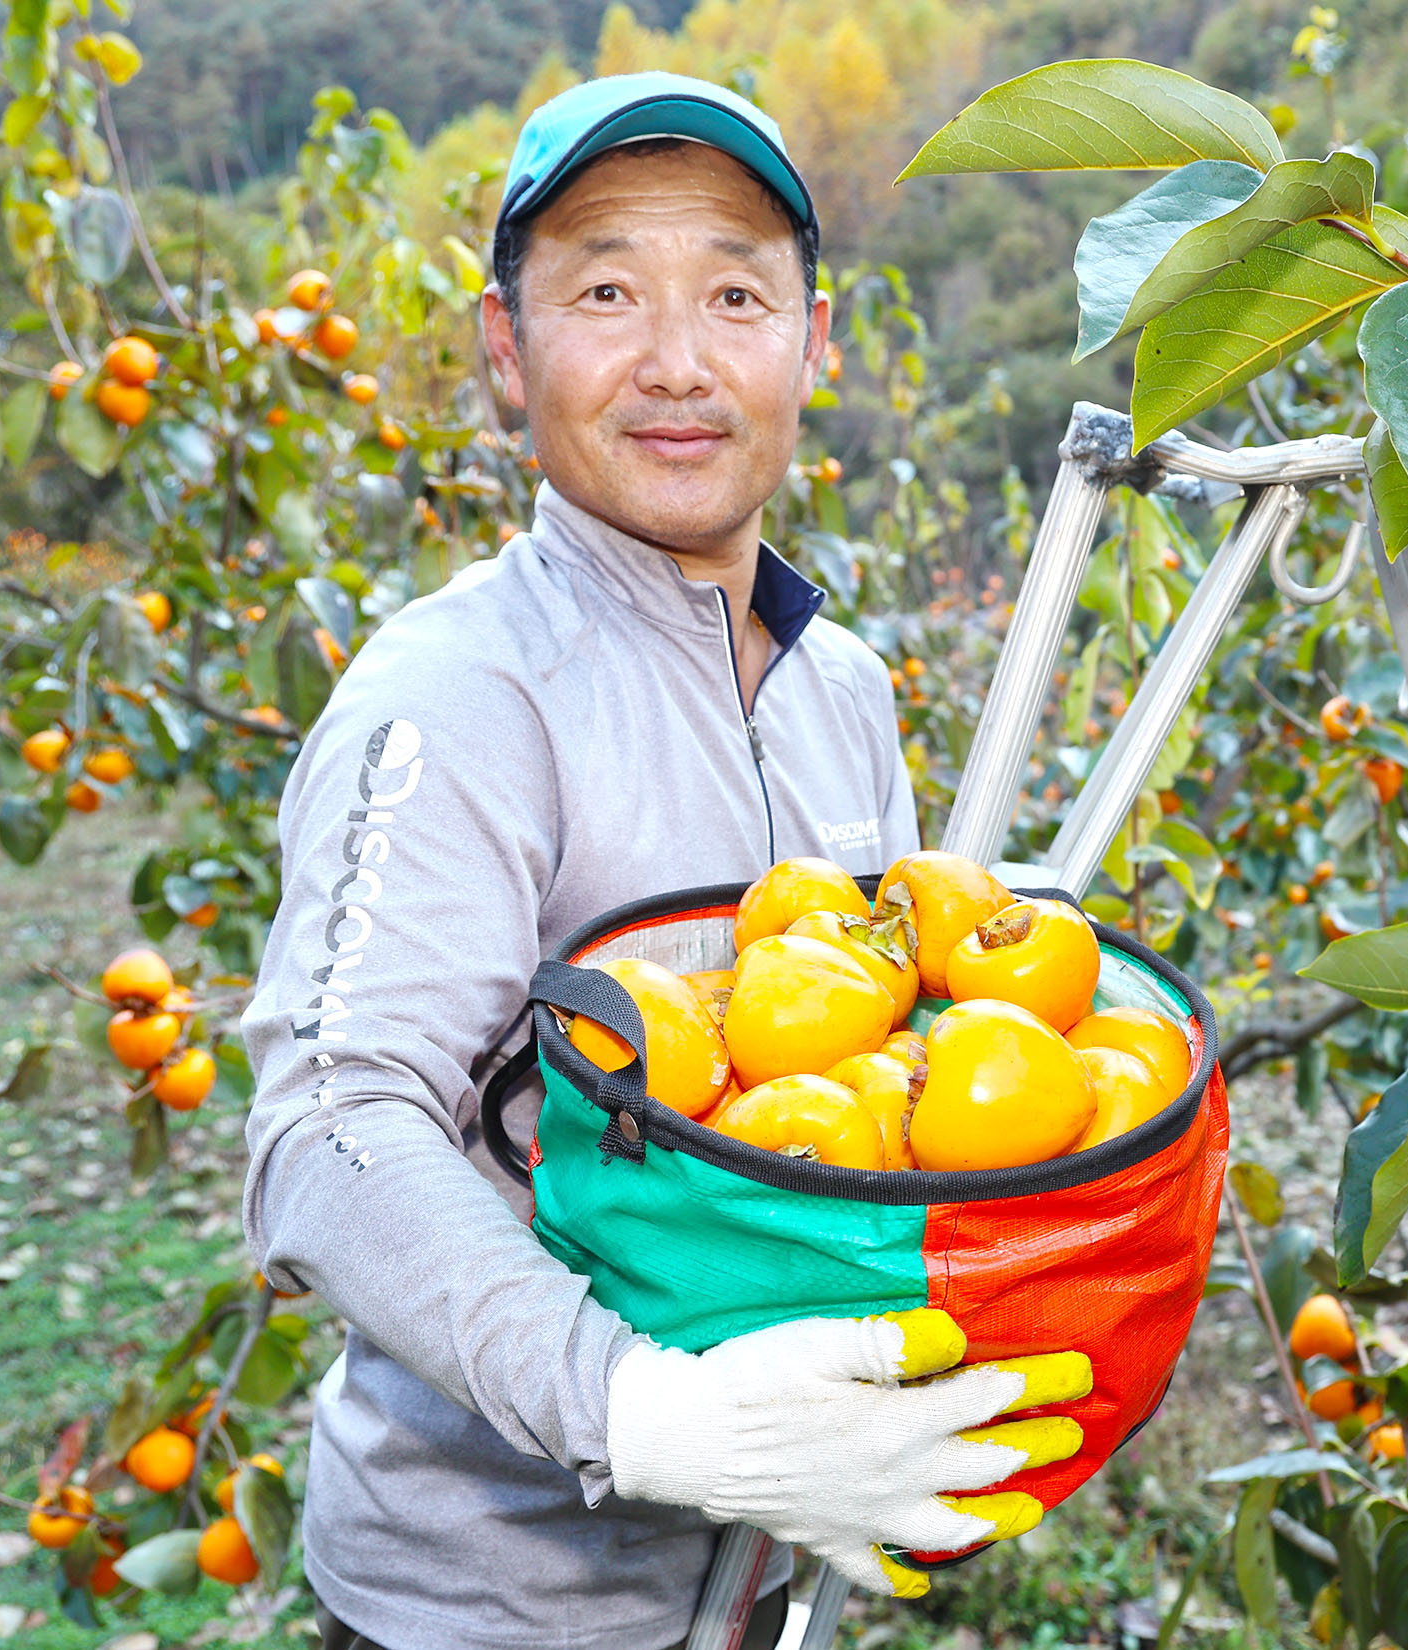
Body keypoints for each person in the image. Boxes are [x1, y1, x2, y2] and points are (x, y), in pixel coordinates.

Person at [240, 75, 1055, 1650]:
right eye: (605, 289)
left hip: (765, 1591)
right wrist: (639, 1407)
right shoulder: (462, 690)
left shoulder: (843, 694)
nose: (677, 361)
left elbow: (875, 1088)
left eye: (735, 294)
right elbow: (332, 1125)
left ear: (814, 345)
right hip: (484, 1610)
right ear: (506, 351)